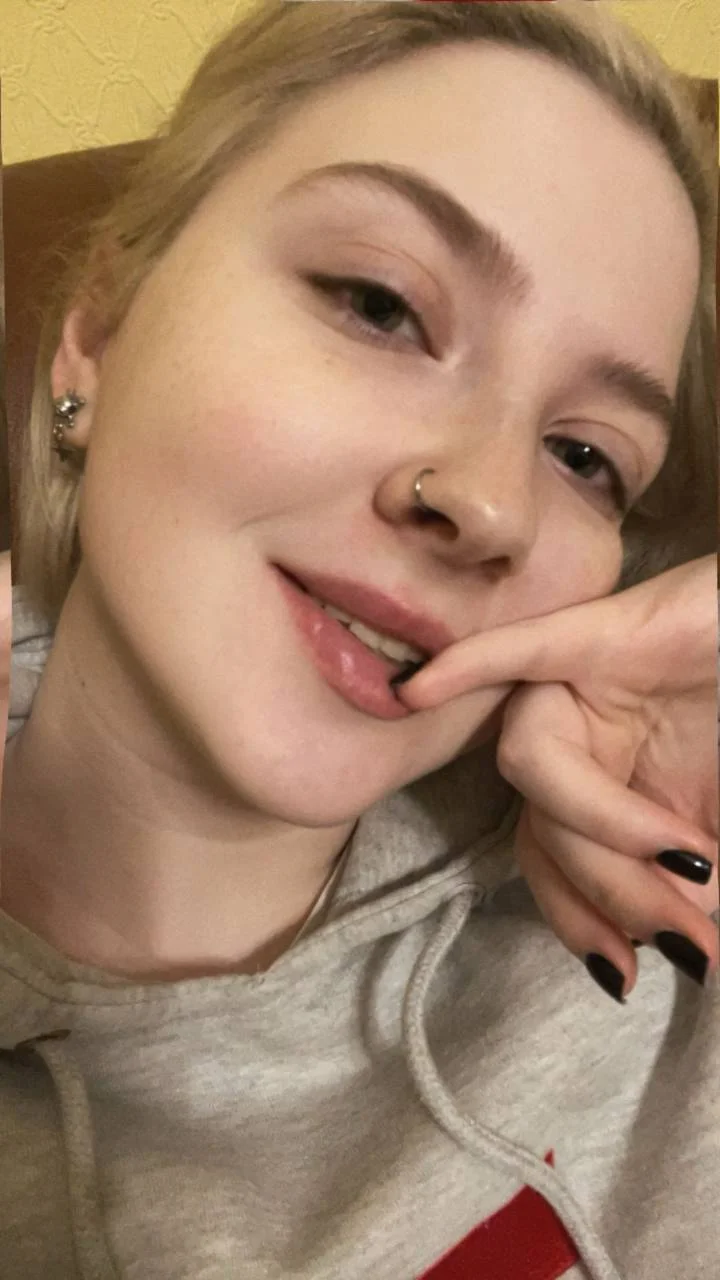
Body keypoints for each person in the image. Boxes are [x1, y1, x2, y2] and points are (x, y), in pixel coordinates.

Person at [0, 3, 717, 1278]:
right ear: (98, 330)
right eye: (381, 305)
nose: (489, 503)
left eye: (584, 455)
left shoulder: (667, 920)